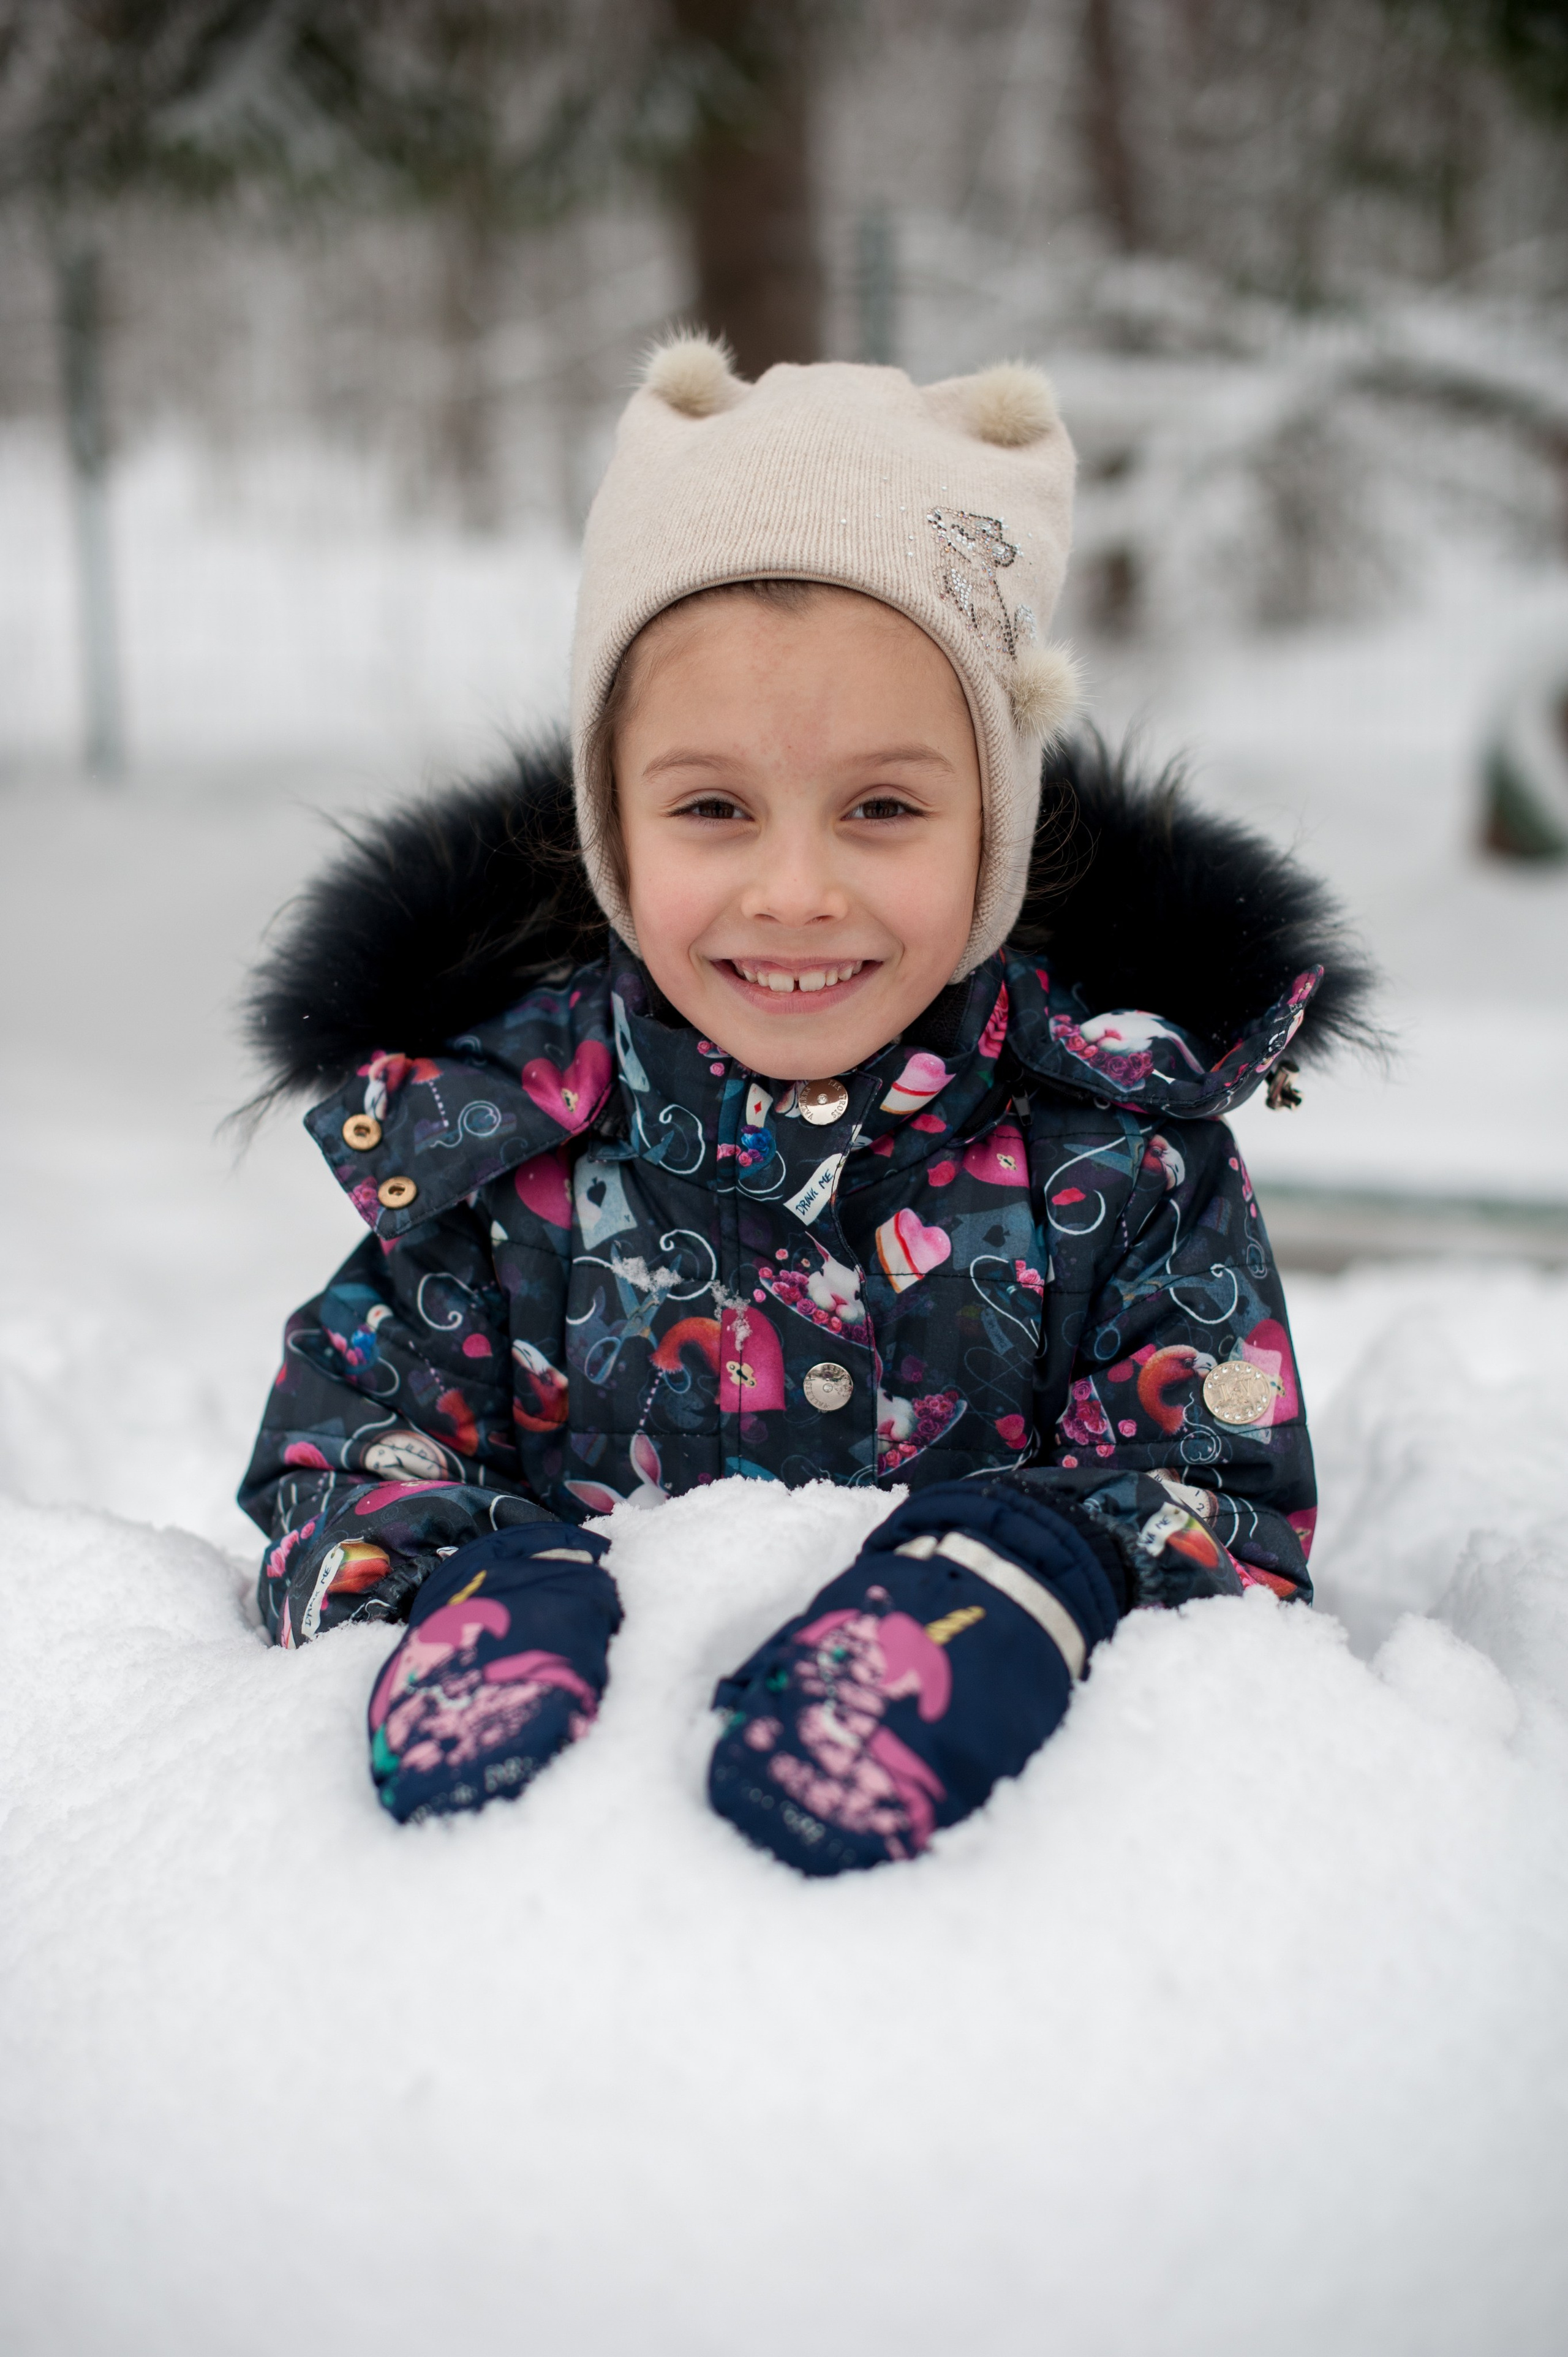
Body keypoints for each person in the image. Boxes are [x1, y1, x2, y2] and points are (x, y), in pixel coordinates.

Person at [238, 336, 1371, 1872]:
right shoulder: (502, 1150)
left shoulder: (1121, 1156)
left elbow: (1222, 1498)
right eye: (711, 807)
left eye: (883, 808)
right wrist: (464, 1578)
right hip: (565, 1935)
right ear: (610, 832)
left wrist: (1029, 1574)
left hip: (1012, 1929)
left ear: (998, 828)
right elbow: (343, 1449)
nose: (792, 889)